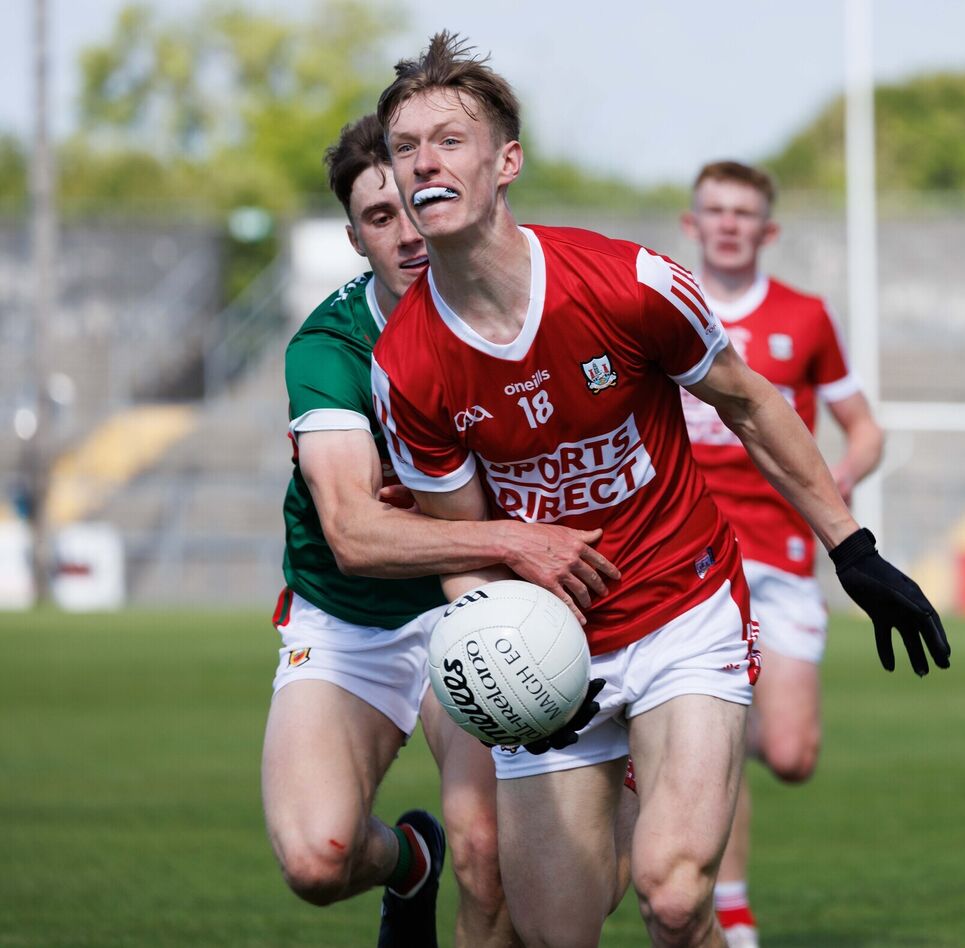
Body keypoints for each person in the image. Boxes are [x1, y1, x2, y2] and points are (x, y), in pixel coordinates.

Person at [370, 33, 949, 948]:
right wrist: (514, 673)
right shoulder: (405, 365)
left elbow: (754, 404)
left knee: (675, 898)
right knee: (559, 930)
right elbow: (464, 545)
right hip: (549, 646)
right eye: (405, 148)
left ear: (505, 161)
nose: (424, 163)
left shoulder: (628, 283)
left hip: (684, 608)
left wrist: (853, 549)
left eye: (449, 139)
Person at [263, 113, 619, 948]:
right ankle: (410, 861)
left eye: (409, 206)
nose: (405, 231)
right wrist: (509, 537)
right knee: (319, 859)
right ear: (354, 238)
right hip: (352, 613)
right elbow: (353, 533)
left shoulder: (517, 308)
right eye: (377, 219)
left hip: (481, 605)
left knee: (489, 857)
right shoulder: (330, 349)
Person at [679, 160, 884, 947]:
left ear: (768, 230)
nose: (729, 223)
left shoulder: (804, 317)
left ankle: (677, 746)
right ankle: (731, 908)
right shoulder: (662, 305)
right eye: (716, 210)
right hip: (687, 558)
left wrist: (841, 475)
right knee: (717, 728)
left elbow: (864, 426)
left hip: (785, 551)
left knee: (792, 755)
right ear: (693, 224)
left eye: (745, 213)